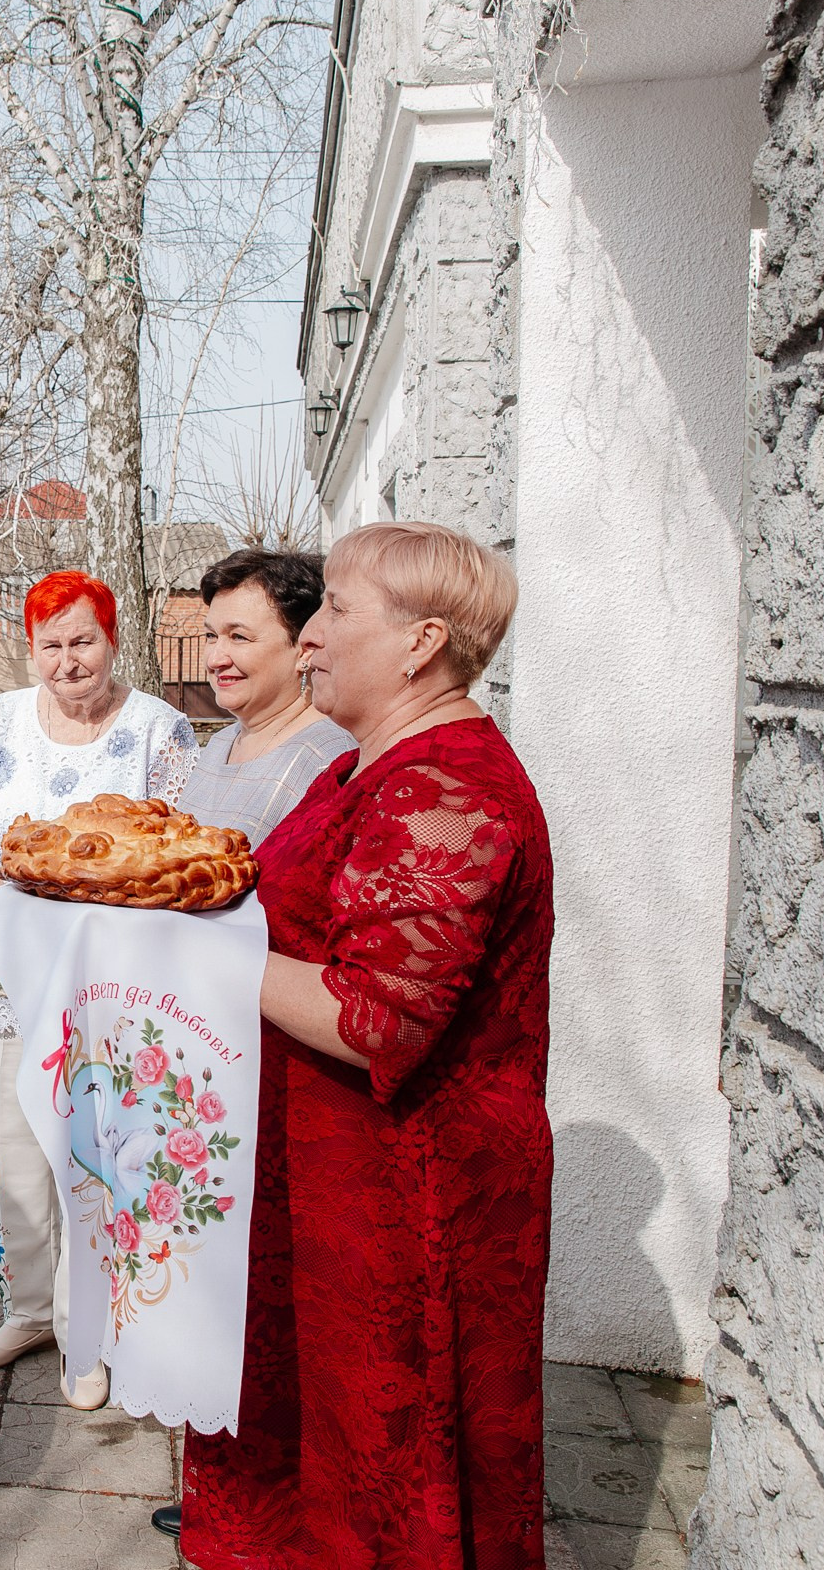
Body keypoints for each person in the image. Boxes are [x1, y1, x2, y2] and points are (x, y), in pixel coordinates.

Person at [173, 520, 555, 1569]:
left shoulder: (447, 785)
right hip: (341, 1181)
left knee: (391, 1478)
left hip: (412, 1197)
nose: (311, 638)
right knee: (318, 1461)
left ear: (423, 641)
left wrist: (179, 953)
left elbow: (373, 1013)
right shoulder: (377, 767)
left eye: (337, 610)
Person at [0, 569, 199, 1410]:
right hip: (13, 977)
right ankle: (31, 1313)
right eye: (49, 645)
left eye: (81, 640)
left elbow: (173, 854)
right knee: (17, 1158)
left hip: (114, 991)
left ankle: (90, 1333)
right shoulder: (3, 719)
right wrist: (11, 924)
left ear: (112, 638)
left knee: (93, 1161)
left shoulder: (158, 729)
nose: (66, 661)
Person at [179, 547, 355, 845]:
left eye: (238, 637)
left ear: (305, 650)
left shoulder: (330, 759)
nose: (215, 659)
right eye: (211, 636)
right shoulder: (221, 743)